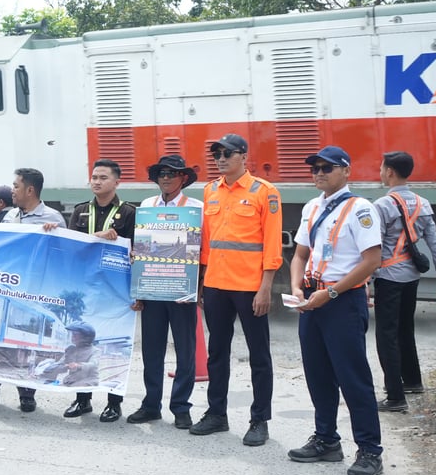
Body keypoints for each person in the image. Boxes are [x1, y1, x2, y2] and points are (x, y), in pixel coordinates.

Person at [288, 145, 385, 475]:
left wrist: (329, 293)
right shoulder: (311, 207)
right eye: (315, 168)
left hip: (341, 301)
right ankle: (326, 439)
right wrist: (297, 288)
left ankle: (370, 450)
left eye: (326, 168)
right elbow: (300, 255)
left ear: (346, 171)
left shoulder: (361, 209)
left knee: (352, 377)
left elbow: (372, 260)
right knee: (317, 374)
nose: (319, 173)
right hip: (311, 299)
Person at [190, 133, 282, 446]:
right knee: (217, 353)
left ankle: (259, 420)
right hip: (216, 285)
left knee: (259, 355)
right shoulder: (210, 191)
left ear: (243, 156)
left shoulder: (264, 192)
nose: (220, 159)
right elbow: (207, 242)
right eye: (216, 154)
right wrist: (201, 282)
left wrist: (265, 287)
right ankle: (217, 413)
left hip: (249, 287)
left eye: (227, 153)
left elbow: (272, 243)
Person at [0, 167, 63, 413]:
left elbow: (63, 254)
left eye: (16, 186)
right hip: (4, 286)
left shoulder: (53, 218)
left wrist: (55, 235)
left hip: (32, 289)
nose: (12, 191)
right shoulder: (10, 216)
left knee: (25, 345)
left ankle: (27, 395)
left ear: (30, 190)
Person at [373, 151, 436, 411]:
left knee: (386, 335)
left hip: (388, 277)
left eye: (381, 168)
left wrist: (364, 281)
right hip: (411, 277)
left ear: (389, 172)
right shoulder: (423, 204)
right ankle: (412, 381)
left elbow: (374, 249)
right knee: (405, 328)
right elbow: (435, 245)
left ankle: (395, 397)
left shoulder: (382, 206)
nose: (380, 172)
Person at [126, 155, 203, 430]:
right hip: (153, 288)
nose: (166, 178)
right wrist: (139, 290)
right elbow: (139, 248)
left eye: (172, 173)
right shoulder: (147, 206)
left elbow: (202, 250)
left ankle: (181, 407)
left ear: (183, 178)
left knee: (185, 351)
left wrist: (198, 288)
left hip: (182, 290)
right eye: (162, 173)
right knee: (151, 350)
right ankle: (151, 405)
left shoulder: (196, 208)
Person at [61, 159, 136, 422]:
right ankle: (83, 399)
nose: (97, 181)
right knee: (82, 345)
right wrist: (98, 237)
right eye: (94, 177)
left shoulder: (129, 213)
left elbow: (137, 251)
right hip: (85, 289)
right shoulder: (80, 210)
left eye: (103, 177)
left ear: (117, 182)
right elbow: (72, 247)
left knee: (114, 348)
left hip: (116, 292)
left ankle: (114, 403)